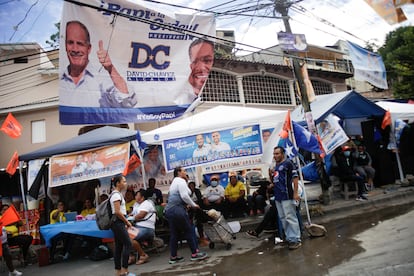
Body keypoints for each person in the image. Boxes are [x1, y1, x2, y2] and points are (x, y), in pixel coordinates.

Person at [60, 20, 137, 108]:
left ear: (88, 48)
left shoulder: (102, 79)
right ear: (65, 46)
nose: (75, 49)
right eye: (70, 43)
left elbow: (127, 101)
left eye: (80, 44)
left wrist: (111, 68)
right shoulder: (60, 81)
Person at [163, 166, 208, 264]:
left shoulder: (175, 182)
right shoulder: (180, 181)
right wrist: (194, 204)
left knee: (174, 234)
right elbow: (184, 196)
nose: (185, 172)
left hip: (170, 210)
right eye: (183, 171)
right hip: (177, 210)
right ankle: (195, 254)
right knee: (189, 230)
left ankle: (173, 256)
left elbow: (181, 196)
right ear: (179, 172)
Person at [271, 146, 302, 250]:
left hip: (287, 195)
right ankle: (289, 238)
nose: (275, 156)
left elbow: (295, 178)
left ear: (282, 154)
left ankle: (296, 239)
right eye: (274, 154)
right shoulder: (276, 166)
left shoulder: (288, 163)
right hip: (278, 196)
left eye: (277, 154)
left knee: (290, 217)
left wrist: (296, 193)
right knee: (283, 218)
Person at [109, 174, 135, 276]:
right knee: (128, 244)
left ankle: (118, 272)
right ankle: (124, 270)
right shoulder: (116, 195)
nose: (125, 183)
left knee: (119, 247)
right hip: (118, 223)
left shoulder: (117, 194)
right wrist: (127, 222)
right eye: (123, 181)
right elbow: (117, 212)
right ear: (118, 183)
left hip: (117, 223)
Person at [129, 189, 156, 265]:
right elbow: (132, 214)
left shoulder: (147, 203)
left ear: (142, 197)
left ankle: (143, 255)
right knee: (122, 236)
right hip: (137, 227)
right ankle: (131, 256)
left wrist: (132, 218)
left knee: (129, 238)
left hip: (146, 228)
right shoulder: (136, 204)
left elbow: (141, 215)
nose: (135, 196)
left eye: (137, 195)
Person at [188, 181, 210, 247]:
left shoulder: (197, 191)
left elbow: (200, 199)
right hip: (190, 210)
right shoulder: (187, 193)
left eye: (192, 186)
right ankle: (195, 240)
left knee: (200, 224)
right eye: (190, 186)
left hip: (198, 209)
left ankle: (202, 238)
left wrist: (196, 205)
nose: (191, 187)